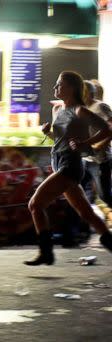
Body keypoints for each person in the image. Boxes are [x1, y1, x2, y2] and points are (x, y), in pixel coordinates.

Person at [25, 71, 112, 266]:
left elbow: (107, 129)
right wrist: (49, 134)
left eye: (59, 84)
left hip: (69, 166)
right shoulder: (58, 110)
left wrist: (85, 143)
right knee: (86, 213)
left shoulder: (80, 111)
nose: (55, 88)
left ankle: (46, 253)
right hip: (59, 162)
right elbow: (61, 141)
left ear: (71, 88)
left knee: (35, 205)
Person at [80, 80, 112, 209]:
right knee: (83, 193)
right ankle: (86, 224)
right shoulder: (82, 108)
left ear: (88, 93)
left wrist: (100, 145)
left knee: (104, 196)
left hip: (100, 160)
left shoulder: (100, 106)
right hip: (85, 159)